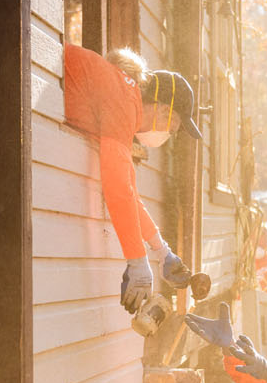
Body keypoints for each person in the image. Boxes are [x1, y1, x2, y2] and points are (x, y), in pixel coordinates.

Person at [62, 43, 200, 314]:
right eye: (174, 127)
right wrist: (137, 260)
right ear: (162, 110)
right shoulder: (124, 99)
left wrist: (162, 252)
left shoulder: (125, 98)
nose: (171, 135)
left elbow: (130, 195)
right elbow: (116, 188)